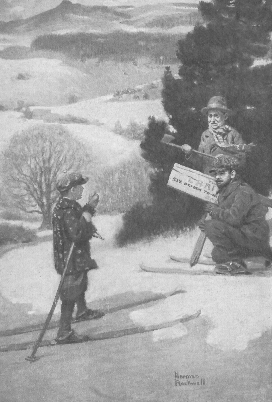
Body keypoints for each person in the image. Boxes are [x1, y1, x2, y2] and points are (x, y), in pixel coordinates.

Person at [52, 172, 104, 344]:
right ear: (73, 189)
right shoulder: (67, 209)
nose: (82, 189)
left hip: (75, 257)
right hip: (71, 259)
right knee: (70, 292)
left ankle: (81, 311)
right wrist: (89, 208)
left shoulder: (68, 206)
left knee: (79, 284)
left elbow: (79, 224)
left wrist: (87, 214)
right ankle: (64, 332)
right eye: (80, 186)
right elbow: (78, 233)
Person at [201, 155, 271, 275]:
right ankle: (258, 255)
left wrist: (215, 212)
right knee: (217, 254)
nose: (217, 177)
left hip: (253, 236)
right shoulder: (227, 190)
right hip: (247, 235)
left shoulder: (242, 191)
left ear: (232, 174)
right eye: (215, 174)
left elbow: (234, 219)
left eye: (222, 173)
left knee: (212, 226)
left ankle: (235, 263)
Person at [181, 96, 250, 174]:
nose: (212, 120)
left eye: (216, 116)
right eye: (210, 116)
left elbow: (242, 162)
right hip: (208, 179)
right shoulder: (205, 135)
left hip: (226, 181)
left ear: (225, 116)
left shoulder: (234, 135)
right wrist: (190, 153)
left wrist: (225, 160)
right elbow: (200, 162)